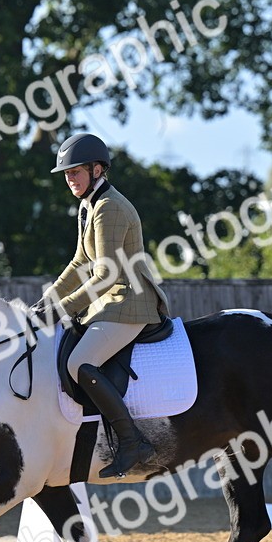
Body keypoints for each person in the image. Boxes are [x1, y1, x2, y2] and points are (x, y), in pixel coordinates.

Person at [31, 133, 170, 478]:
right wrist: (46, 302)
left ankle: (132, 442)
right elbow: (80, 263)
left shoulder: (109, 207)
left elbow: (106, 275)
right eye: (66, 174)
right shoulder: (88, 205)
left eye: (75, 172)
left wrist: (62, 309)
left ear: (97, 170)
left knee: (79, 362)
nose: (70, 179)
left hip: (130, 301)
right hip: (109, 302)